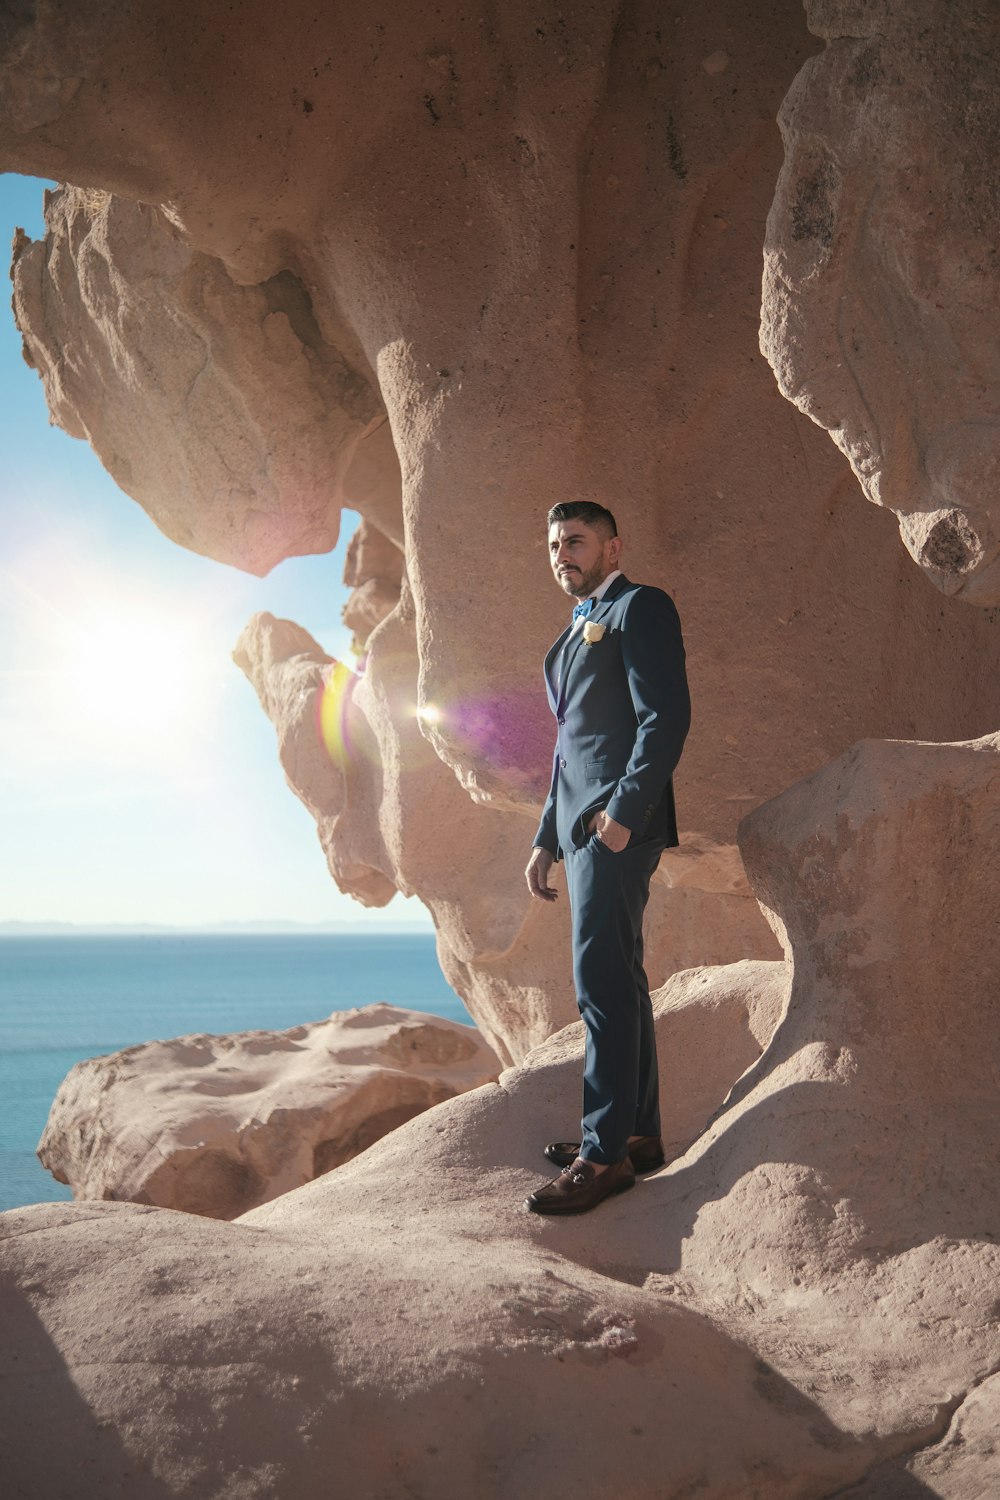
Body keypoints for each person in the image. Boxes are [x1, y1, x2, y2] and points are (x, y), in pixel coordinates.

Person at [524, 501, 690, 1215]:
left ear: (613, 546)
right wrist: (544, 837)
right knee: (619, 975)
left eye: (578, 541)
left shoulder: (638, 607)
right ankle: (638, 1135)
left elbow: (666, 716)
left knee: (598, 978)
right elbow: (570, 749)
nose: (564, 552)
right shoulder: (570, 632)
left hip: (616, 824)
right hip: (579, 827)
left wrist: (623, 815)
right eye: (556, 544)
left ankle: (603, 1153)